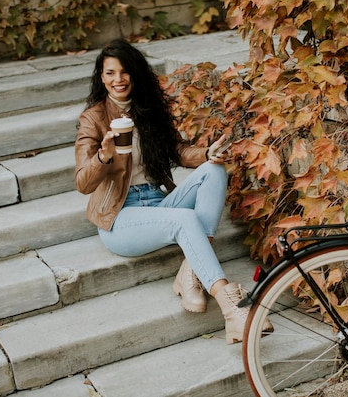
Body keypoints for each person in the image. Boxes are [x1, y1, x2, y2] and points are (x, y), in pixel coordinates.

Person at [74, 39, 272, 344]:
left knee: (213, 170)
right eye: (110, 73)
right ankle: (231, 308)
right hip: (120, 217)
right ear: (102, 77)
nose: (118, 80)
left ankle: (190, 271)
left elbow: (178, 151)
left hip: (158, 202)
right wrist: (103, 156)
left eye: (125, 72)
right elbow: (83, 183)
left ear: (136, 74)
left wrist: (206, 154)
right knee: (184, 219)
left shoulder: (149, 109)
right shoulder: (94, 118)